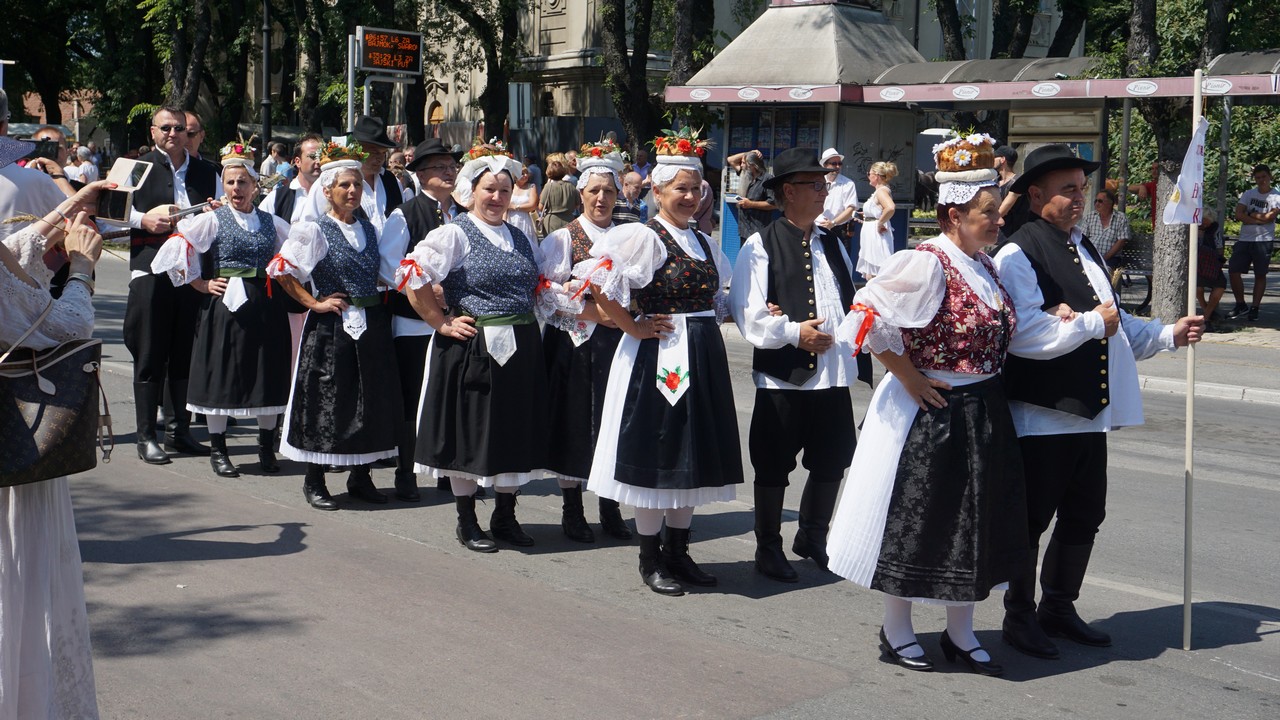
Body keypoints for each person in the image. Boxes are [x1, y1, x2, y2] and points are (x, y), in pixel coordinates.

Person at [826, 133, 1098, 676]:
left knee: (973, 523)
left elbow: (1008, 329)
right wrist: (908, 377)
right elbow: (864, 318)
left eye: (997, 211)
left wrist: (1064, 315)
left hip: (984, 409)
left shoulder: (985, 264)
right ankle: (897, 627)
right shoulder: (927, 261)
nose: (999, 221)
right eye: (988, 213)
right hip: (935, 410)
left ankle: (960, 630)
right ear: (953, 214)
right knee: (919, 520)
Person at [994, 143, 1203, 660]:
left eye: (1081, 190)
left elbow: (1117, 325)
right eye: (1067, 190)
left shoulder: (1083, 249)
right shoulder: (1017, 253)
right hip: (1042, 414)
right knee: (1032, 520)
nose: (1078, 199)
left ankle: (1058, 607)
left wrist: (1169, 333)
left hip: (1089, 411)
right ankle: (1019, 616)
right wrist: (1088, 323)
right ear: (1036, 194)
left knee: (1086, 514)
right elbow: (1023, 334)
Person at [574, 129, 742, 597]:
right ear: (659, 190)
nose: (689, 197)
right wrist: (633, 327)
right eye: (680, 189)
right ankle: (650, 557)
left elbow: (715, 297)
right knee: (659, 449)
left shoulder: (704, 242)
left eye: (696, 188)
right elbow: (599, 286)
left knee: (690, 452)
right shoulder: (642, 237)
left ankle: (679, 551)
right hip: (659, 356)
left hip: (702, 351)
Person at [396, 149, 551, 552]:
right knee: (471, 433)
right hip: (475, 346)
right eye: (489, 190)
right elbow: (412, 274)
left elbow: (535, 286)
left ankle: (505, 514)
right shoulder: (456, 232)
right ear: (471, 192)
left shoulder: (520, 234)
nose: (497, 197)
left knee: (513, 429)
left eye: (503, 190)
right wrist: (440, 321)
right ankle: (467, 519)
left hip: (521, 345)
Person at [0, 162, 110, 718]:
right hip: (10, 453)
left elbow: (8, 256)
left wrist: (62, 213)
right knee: (14, 592)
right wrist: (84, 270)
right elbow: (63, 326)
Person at [729, 147, 861, 583]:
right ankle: (768, 547)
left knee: (833, 458)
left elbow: (848, 298)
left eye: (824, 183)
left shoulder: (831, 242)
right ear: (789, 191)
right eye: (816, 185)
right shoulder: (760, 244)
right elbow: (748, 312)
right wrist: (793, 333)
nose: (825, 191)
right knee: (773, 463)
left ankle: (813, 537)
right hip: (785, 376)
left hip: (833, 373)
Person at [267, 139, 402, 510]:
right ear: (327, 190)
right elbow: (282, 269)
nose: (353, 191)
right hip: (331, 326)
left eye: (357, 184)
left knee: (367, 397)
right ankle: (315, 479)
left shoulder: (370, 230)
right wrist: (314, 302)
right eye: (344, 185)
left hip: (370, 322)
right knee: (325, 398)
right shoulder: (315, 229)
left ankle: (361, 476)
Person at [150, 139, 293, 478]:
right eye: (230, 182)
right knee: (220, 374)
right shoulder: (213, 219)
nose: (235, 188)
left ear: (255, 186)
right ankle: (218, 449)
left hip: (264, 305)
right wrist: (199, 283)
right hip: (224, 306)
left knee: (266, 373)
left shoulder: (271, 222)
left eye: (242, 182)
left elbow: (291, 258)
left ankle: (264, 447)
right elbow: (179, 246)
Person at [540, 142, 633, 543]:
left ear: (618, 196)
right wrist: (594, 312)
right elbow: (545, 293)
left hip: (616, 345)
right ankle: (572, 507)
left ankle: (609, 505)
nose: (601, 198)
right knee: (573, 422)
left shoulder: (630, 237)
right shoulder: (563, 238)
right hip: (573, 346)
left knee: (611, 422)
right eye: (594, 191)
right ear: (580, 194)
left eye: (608, 192)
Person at [125, 104, 220, 464]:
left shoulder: (207, 171)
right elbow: (105, 212)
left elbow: (216, 224)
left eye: (179, 128)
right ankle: (147, 436)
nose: (172, 134)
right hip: (150, 270)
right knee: (150, 355)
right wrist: (143, 219)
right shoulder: (136, 166)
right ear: (152, 131)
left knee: (184, 354)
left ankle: (180, 431)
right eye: (165, 128)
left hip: (192, 274)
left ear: (189, 132)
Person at [379, 137, 464, 502]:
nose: (450, 173)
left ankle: (448, 468)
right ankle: (406, 472)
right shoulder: (405, 213)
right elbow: (389, 265)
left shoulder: (462, 212)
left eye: (452, 167)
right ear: (423, 174)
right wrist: (426, 291)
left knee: (451, 395)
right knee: (414, 397)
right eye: (442, 168)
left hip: (458, 320)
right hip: (413, 322)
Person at [0, 93, 68, 244]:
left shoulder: (36, 180)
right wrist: (59, 177)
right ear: (3, 125)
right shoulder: (37, 181)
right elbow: (74, 227)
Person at [1228, 163, 1279, 321]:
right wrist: (1257, 218)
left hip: (1263, 240)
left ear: (1270, 176)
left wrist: (1250, 214)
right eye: (1258, 178)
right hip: (1245, 238)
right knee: (1234, 271)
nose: (1261, 180)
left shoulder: (1276, 196)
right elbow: (1238, 213)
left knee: (1260, 274)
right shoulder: (1249, 193)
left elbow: (1270, 217)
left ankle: (1255, 307)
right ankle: (1240, 304)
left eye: (1264, 177)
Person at [352, 115, 410, 231]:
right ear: (358, 150)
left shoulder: (392, 181)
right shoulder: (337, 181)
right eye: (374, 152)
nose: (380, 158)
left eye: (383, 152)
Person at [856, 161, 898, 280]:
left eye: (869, 173)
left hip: (877, 234)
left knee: (876, 272)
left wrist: (879, 223)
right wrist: (868, 215)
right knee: (871, 273)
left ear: (877, 175)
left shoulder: (881, 191)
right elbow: (880, 209)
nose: (868, 176)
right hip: (871, 233)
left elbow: (890, 207)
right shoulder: (879, 191)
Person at [1079, 188, 1131, 285]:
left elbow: (1121, 241)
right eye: (1096, 201)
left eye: (1100, 201)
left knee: (1104, 272)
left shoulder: (1120, 218)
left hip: (1111, 258)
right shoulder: (1090, 217)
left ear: (1110, 203)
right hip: (1090, 256)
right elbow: (1082, 238)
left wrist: (1104, 258)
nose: (1096, 204)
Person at [728, 149, 775, 246]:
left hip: (758, 230)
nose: (741, 165)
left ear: (753, 165)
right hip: (744, 230)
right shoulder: (745, 175)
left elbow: (774, 204)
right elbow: (730, 160)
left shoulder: (767, 179)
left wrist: (751, 204)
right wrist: (749, 152)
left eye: (744, 163)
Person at [815, 148, 859, 243]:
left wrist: (832, 223)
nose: (838, 166)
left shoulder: (848, 183)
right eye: (834, 164)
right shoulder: (816, 182)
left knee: (841, 257)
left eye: (840, 163)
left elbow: (850, 208)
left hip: (839, 230)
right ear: (825, 165)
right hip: (817, 227)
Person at [1196, 208, 1227, 332]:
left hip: (1210, 263)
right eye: (1203, 221)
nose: (1205, 224)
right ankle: (1207, 315)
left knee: (1220, 286)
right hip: (1196, 264)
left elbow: (1219, 247)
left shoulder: (1215, 229)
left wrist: (1218, 260)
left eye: (1207, 222)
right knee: (1198, 288)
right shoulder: (1192, 227)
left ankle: (1206, 317)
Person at [540, 152, 580, 235]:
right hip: (569, 219)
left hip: (552, 221)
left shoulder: (548, 186)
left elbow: (541, 207)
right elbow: (577, 205)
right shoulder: (571, 186)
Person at [507, 163, 540, 241]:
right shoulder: (510, 187)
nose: (525, 175)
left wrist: (515, 207)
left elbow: (532, 205)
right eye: (522, 173)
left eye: (526, 173)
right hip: (511, 220)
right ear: (515, 175)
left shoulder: (531, 186)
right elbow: (506, 206)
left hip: (525, 221)